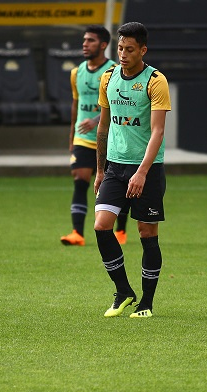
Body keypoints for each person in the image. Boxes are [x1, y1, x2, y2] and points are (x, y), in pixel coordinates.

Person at [93, 22, 171, 319]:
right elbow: (103, 126)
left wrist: (141, 173)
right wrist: (100, 170)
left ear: (143, 50)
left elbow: (158, 132)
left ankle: (147, 303)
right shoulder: (108, 78)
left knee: (146, 232)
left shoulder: (155, 81)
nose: (123, 54)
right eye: (120, 48)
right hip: (114, 166)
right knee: (102, 225)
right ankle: (123, 291)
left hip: (147, 170)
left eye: (129, 49)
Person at [60, 25, 129, 247]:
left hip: (109, 138)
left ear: (103, 45)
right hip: (83, 139)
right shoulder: (76, 72)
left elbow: (119, 107)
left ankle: (121, 231)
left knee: (119, 185)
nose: (84, 44)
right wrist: (71, 137)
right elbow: (76, 105)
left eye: (90, 40)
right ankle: (77, 233)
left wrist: (97, 120)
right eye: (84, 40)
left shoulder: (115, 72)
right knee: (80, 181)